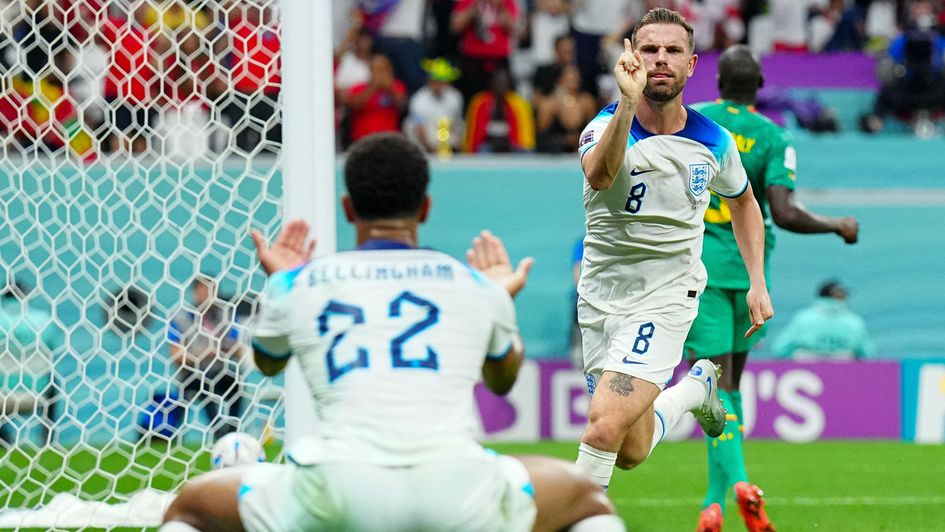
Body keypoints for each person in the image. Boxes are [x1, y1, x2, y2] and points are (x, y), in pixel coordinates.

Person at [161, 133, 626, 532]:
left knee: (190, 507)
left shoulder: (297, 283)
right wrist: (501, 297)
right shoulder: (474, 285)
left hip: (335, 487)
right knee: (587, 500)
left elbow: (266, 362)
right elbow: (503, 381)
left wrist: (279, 281)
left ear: (348, 209)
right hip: (456, 484)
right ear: (425, 208)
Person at [574, 8, 774, 493]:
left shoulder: (714, 141)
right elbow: (601, 175)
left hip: (667, 297)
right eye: (649, 50)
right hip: (601, 299)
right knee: (629, 450)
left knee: (602, 426)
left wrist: (757, 281)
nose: (660, 60)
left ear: (691, 65)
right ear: (630, 58)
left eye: (672, 51)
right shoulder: (602, 128)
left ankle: (572, 521)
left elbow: (745, 201)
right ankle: (694, 390)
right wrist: (626, 103)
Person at [684, 44, 860, 532]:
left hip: (700, 274)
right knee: (729, 388)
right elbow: (782, 211)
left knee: (710, 390)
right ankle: (713, 503)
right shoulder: (774, 136)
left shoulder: (694, 122)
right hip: (751, 276)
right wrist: (835, 225)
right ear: (759, 87)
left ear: (718, 83)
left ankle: (739, 483)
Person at [168, 276, 244, 441]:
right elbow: (176, 355)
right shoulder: (180, 318)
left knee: (237, 387)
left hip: (220, 369)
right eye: (202, 290)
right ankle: (219, 433)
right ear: (194, 293)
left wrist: (223, 349)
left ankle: (232, 432)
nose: (207, 295)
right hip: (193, 372)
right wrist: (204, 354)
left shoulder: (226, 315)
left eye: (211, 291)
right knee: (204, 384)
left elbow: (238, 348)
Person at [0, 279, 62, 446]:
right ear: (26, 295)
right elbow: (51, 353)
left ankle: (3, 437)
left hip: (2, 396)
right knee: (54, 381)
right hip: (37, 395)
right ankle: (47, 440)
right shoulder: (43, 319)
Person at [772, 280, 874, 361]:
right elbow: (868, 354)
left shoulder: (804, 318)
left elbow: (780, 349)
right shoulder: (854, 322)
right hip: (844, 374)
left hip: (806, 372)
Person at [403, 58, 465, 154]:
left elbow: (456, 123)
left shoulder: (455, 96)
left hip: (446, 136)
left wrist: (455, 145)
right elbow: (420, 128)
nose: (438, 84)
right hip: (424, 141)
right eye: (436, 81)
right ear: (429, 81)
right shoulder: (419, 99)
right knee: (408, 124)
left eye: (442, 81)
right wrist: (431, 149)